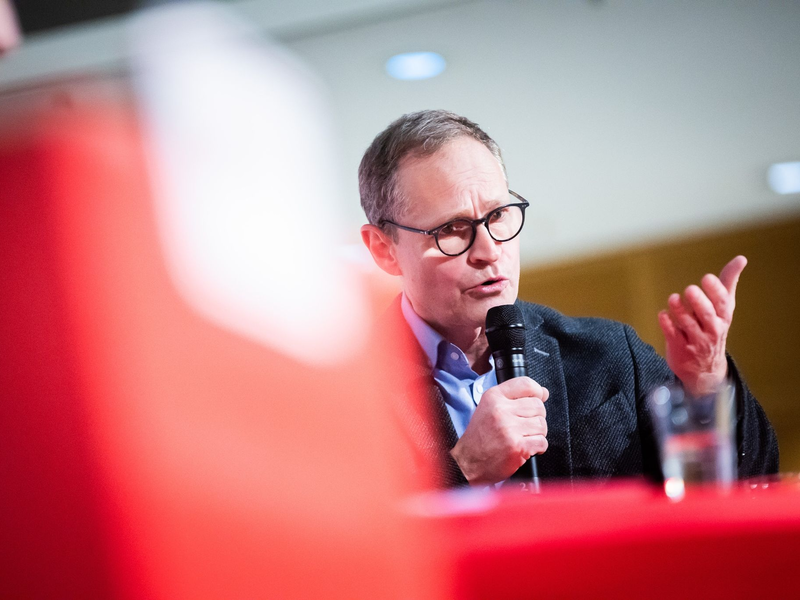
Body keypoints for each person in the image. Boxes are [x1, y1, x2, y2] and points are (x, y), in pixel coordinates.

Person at [359, 109, 778, 488]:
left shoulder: (610, 356)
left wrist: (706, 383)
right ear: (384, 249)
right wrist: (463, 468)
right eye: (451, 228)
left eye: (498, 215)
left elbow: (750, 485)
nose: (488, 249)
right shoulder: (349, 395)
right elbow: (338, 540)